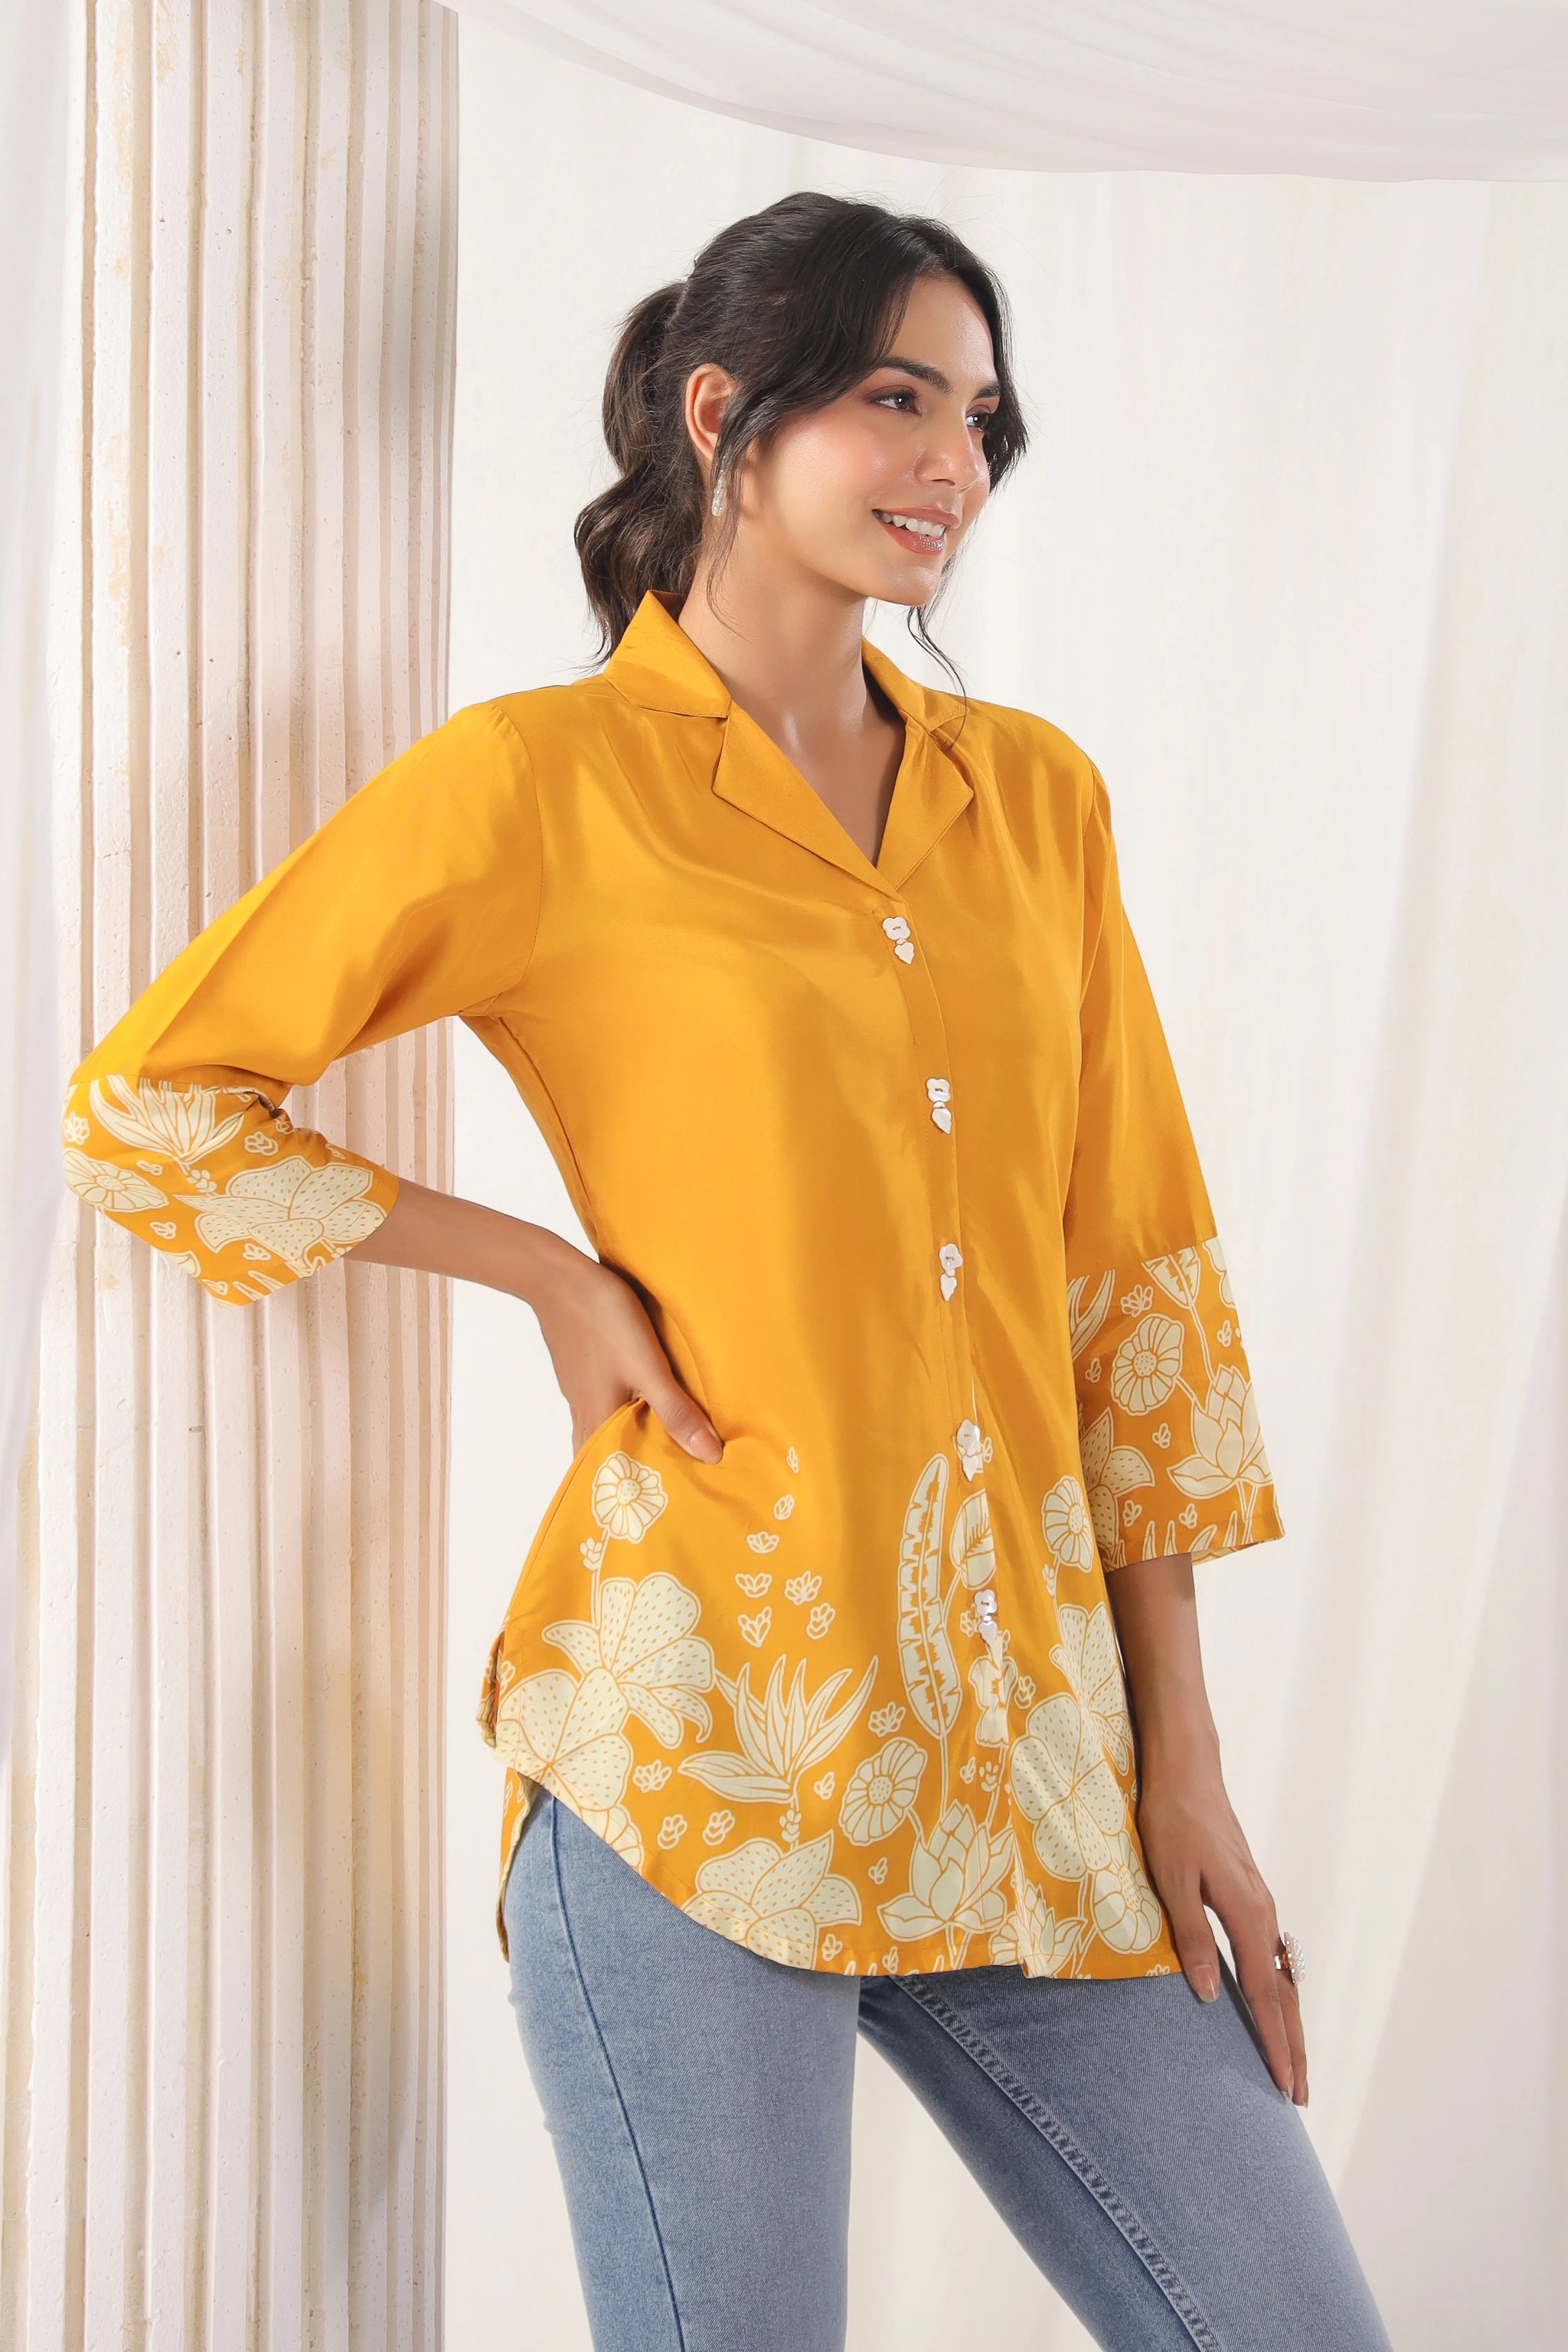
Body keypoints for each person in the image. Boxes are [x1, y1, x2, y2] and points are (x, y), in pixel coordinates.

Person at [63, 193, 1389, 2351]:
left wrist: (1185, 1758)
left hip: (1039, 1786)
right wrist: (541, 1273)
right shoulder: (541, 783)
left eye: (978, 416)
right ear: (721, 416)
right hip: (695, 1764)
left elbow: (1130, 1278)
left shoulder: (1033, 801)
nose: (951, 461)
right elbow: (153, 1103)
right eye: (894, 398)